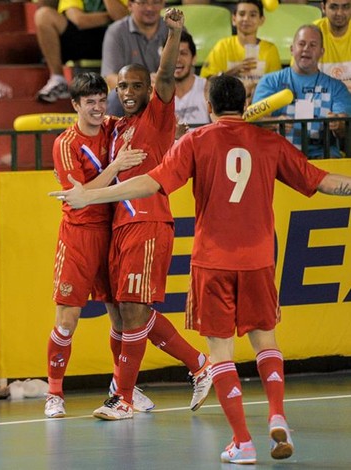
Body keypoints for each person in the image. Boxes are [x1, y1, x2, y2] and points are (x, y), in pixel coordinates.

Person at [50, 73, 351, 463]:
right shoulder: (269, 142)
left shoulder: (196, 140)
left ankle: (242, 441)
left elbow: (150, 184)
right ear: (245, 104)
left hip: (212, 261)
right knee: (266, 341)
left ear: (208, 105)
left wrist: (91, 194)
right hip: (259, 259)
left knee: (221, 353)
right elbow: (324, 181)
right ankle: (277, 413)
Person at [91, 8, 212, 422]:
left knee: (133, 311)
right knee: (127, 312)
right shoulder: (118, 128)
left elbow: (164, 77)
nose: (127, 91)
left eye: (135, 85)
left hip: (148, 221)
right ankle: (199, 363)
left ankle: (122, 397)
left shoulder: (157, 115)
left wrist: (174, 32)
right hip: (120, 226)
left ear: (149, 89)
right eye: (122, 84)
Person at [45, 71, 151, 418]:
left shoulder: (113, 127)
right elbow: (81, 197)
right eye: (88, 102)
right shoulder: (65, 143)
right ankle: (55, 393)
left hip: (114, 230)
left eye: (101, 100)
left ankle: (123, 387)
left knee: (120, 318)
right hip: (79, 234)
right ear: (75, 105)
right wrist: (117, 166)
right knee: (67, 319)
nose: (96, 108)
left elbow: (143, 116)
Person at [253, 24, 351, 158]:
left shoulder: (337, 87)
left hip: (323, 155)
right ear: (292, 49)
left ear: (322, 52)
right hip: (279, 155)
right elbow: (255, 120)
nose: (306, 49)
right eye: (302, 44)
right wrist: (275, 122)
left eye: (313, 45)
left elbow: (345, 129)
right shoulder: (270, 81)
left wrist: (338, 124)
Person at [34, 0, 129, 103]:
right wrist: (110, 17)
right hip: (84, 40)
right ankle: (58, 79)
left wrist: (114, 15)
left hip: (119, 40)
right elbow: (79, 20)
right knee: (43, 15)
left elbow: (124, 18)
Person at [200, 0, 281, 102]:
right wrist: (233, 71)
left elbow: (276, 86)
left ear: (261, 20)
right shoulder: (222, 46)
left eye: (253, 15)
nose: (246, 19)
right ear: (234, 19)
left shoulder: (270, 49)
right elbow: (207, 83)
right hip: (227, 107)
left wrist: (257, 87)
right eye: (242, 14)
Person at [101, 0, 168, 116]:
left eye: (156, 2)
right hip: (134, 95)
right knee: (114, 97)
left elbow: (184, 69)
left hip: (166, 91)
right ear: (130, 5)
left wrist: (162, 83)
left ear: (163, 4)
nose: (150, 8)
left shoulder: (174, 30)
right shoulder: (116, 32)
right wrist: (143, 86)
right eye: (143, 3)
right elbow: (111, 77)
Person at [174, 30, 210, 135]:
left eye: (183, 53)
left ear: (194, 59)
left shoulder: (206, 88)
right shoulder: (155, 93)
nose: (177, 59)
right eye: (172, 53)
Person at [314, 0, 351, 91]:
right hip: (320, 98)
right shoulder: (311, 33)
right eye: (334, 7)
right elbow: (299, 79)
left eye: (346, 7)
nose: (339, 13)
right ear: (323, 7)